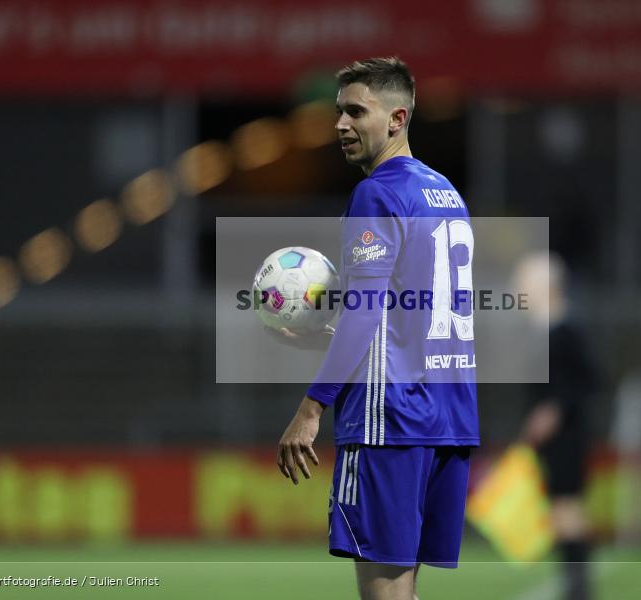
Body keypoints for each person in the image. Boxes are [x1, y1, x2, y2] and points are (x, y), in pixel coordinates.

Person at [275, 57, 479, 600]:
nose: (340, 124)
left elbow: (366, 311)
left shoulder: (377, 193)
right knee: (404, 591)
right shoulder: (446, 195)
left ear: (397, 119)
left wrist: (312, 407)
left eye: (355, 111)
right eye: (339, 112)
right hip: (449, 419)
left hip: (390, 420)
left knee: (384, 594)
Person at [514, 252, 596, 600]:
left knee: (568, 510)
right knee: (562, 512)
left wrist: (555, 409)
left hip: (568, 437)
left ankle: (578, 591)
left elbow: (588, 380)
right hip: (553, 439)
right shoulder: (544, 331)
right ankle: (576, 588)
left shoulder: (566, 330)